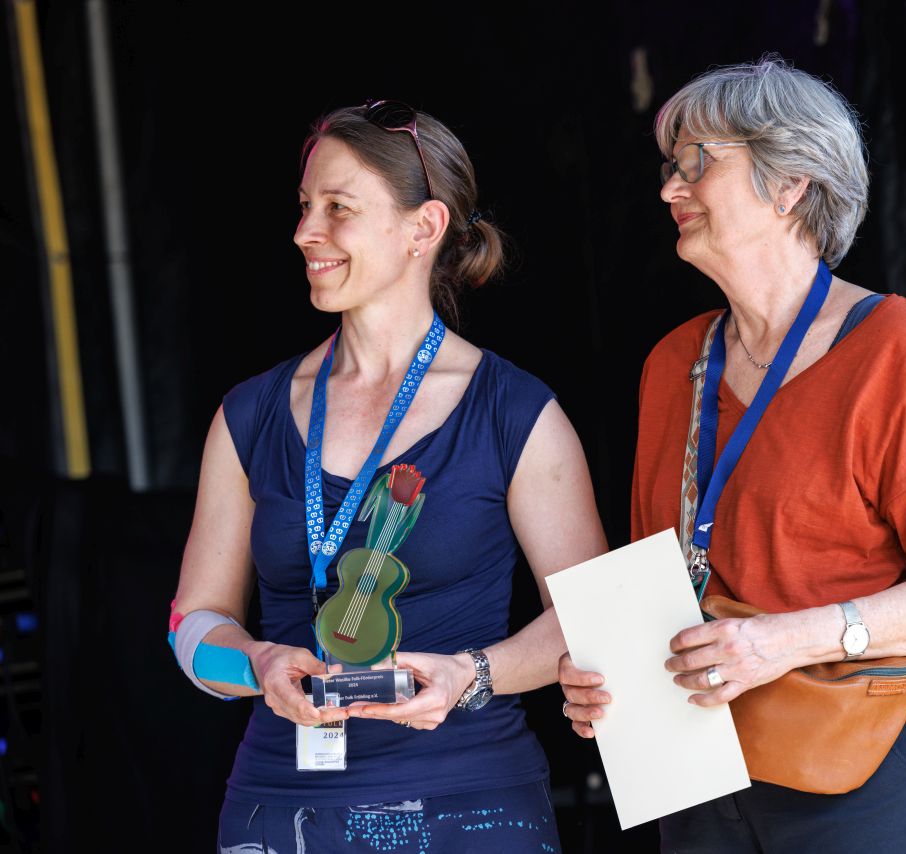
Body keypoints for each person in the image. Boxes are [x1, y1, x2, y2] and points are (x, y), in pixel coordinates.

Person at [559, 58, 906, 852]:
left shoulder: (890, 344)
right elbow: (655, 579)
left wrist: (780, 642)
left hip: (860, 764)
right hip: (694, 772)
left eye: (697, 162)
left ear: (790, 185)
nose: (670, 190)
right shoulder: (673, 363)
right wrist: (605, 676)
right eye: (670, 167)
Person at [169, 100, 606, 852]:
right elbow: (190, 623)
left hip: (471, 807)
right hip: (279, 811)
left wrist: (472, 674)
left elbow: (591, 620)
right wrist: (258, 663)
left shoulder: (514, 411)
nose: (305, 231)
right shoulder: (250, 413)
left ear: (423, 228)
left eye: (338, 208)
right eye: (305, 206)